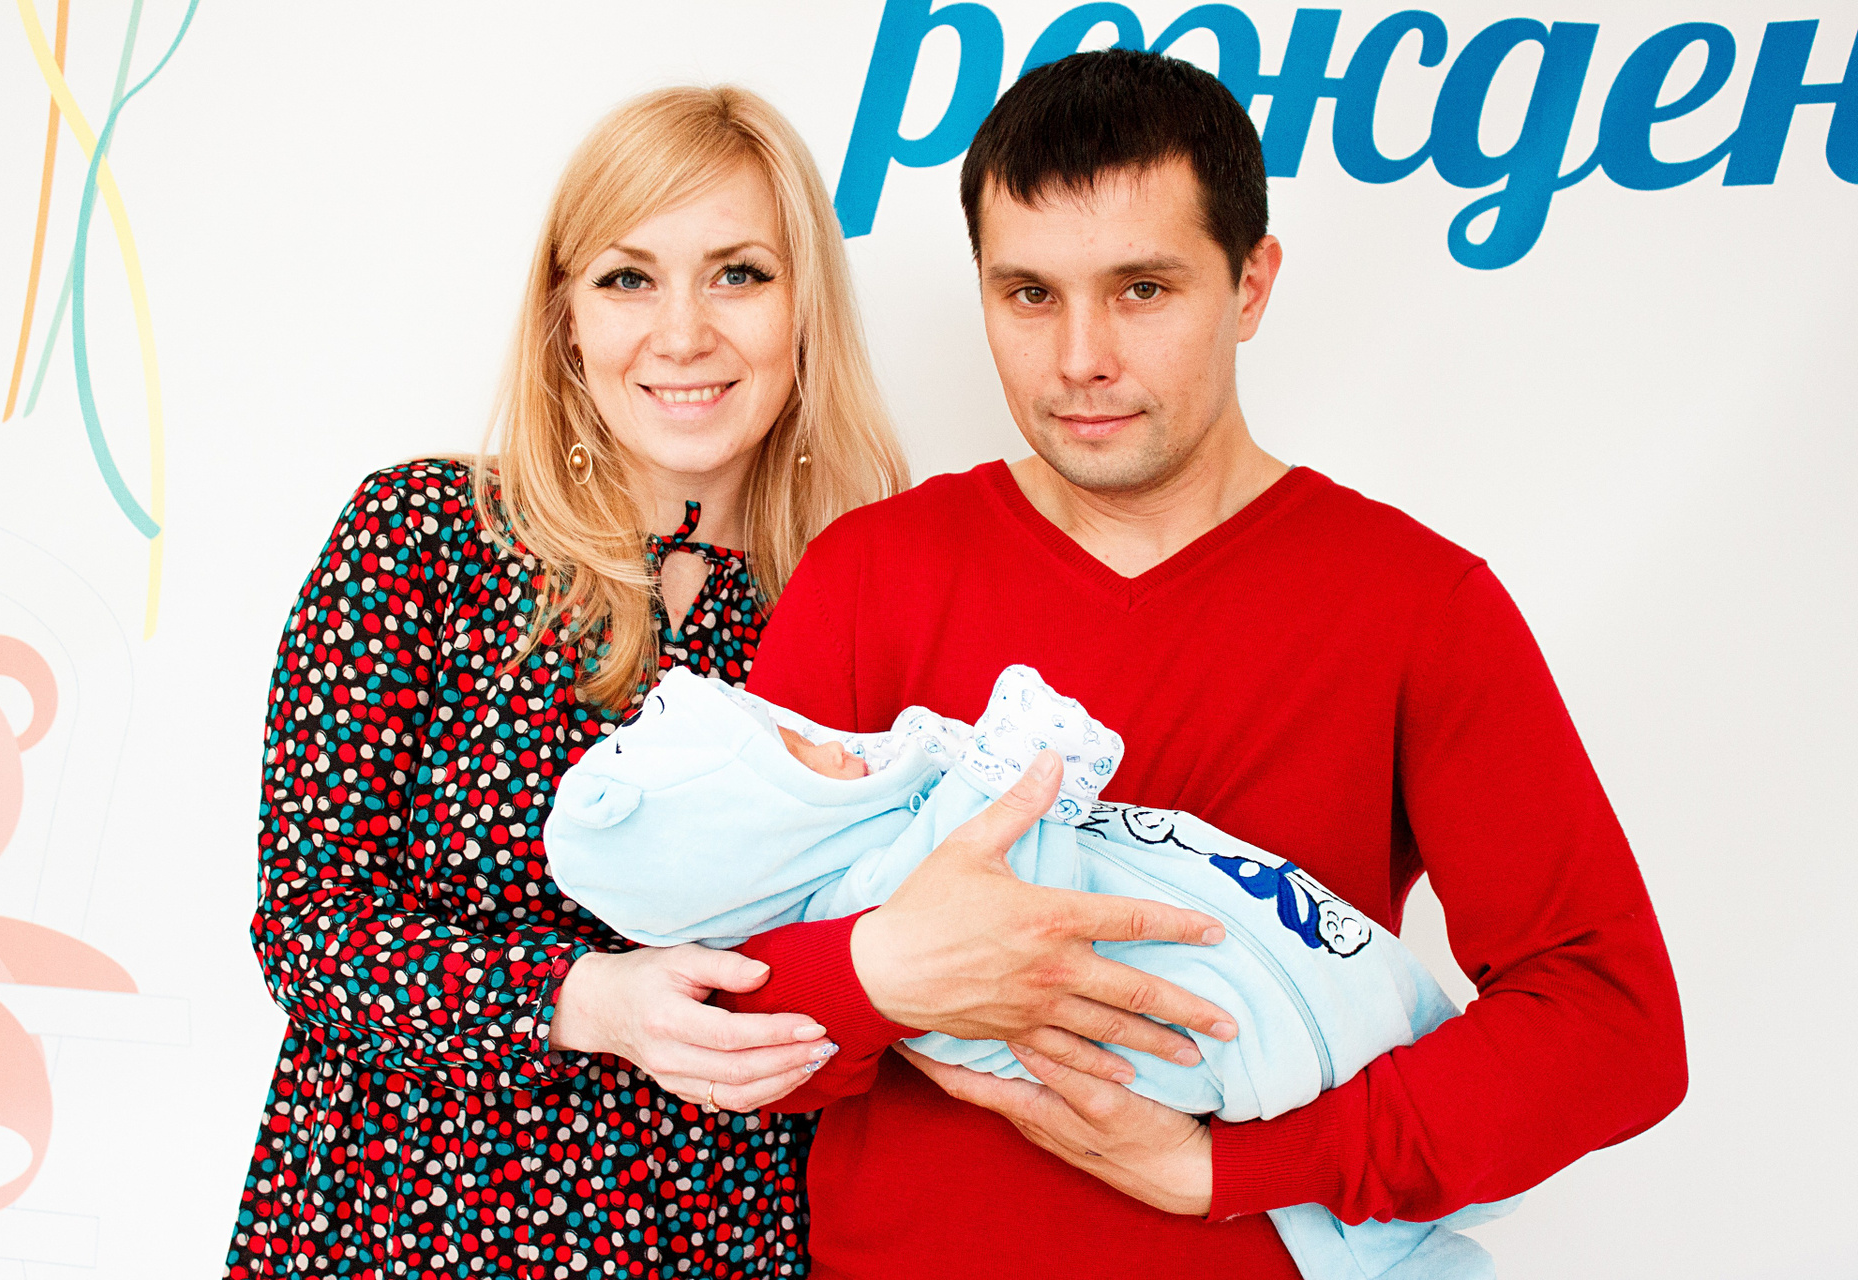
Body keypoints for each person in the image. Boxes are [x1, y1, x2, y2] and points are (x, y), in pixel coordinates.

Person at [715, 49, 1689, 1279]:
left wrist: (1239, 1168)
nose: (1080, 356)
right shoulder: (870, 575)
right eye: (1029, 294)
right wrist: (893, 969)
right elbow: (721, 1000)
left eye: (1142, 289)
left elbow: (1611, 1024)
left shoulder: (1418, 603)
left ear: (1251, 283)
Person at [224, 85, 919, 1278]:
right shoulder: (422, 534)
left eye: (740, 273)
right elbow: (307, 923)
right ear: (566, 318)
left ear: (806, 306)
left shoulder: (862, 603)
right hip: (396, 1230)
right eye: (628, 277)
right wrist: (586, 999)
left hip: (718, 1239)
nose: (683, 333)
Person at [545, 661, 1514, 1279]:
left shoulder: (885, 849)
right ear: (767, 831)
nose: (834, 742)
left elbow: (1585, 1016)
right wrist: (995, 761)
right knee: (1379, 1220)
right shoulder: (877, 882)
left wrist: (1230, 1170)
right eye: (798, 753)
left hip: (1309, 991)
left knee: (1413, 1159)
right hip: (1236, 1039)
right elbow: (1028, 867)